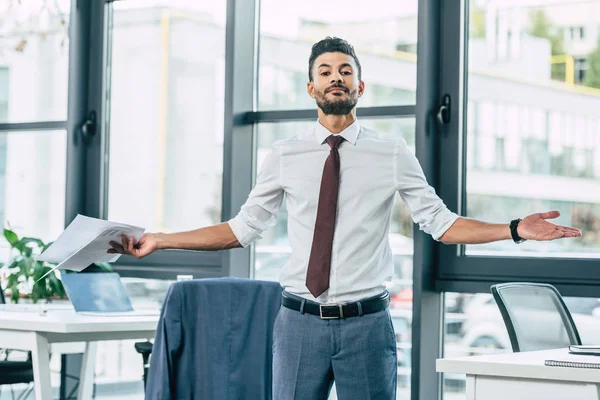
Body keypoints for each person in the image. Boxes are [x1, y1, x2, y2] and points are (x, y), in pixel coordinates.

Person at [108, 37, 582, 400]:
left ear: (359, 85)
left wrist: (516, 228)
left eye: (345, 71)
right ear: (311, 86)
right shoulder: (284, 155)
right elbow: (240, 230)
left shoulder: (391, 152)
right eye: (325, 71)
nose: (336, 78)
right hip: (297, 324)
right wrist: (162, 239)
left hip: (367, 326)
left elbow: (440, 222)